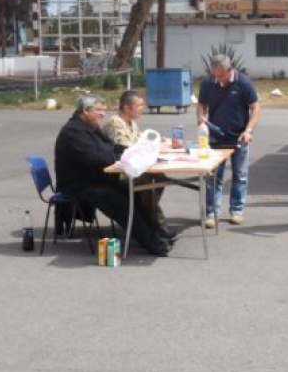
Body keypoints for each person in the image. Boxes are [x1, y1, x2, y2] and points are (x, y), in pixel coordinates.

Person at [55, 94, 171, 256]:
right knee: (118, 202)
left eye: (103, 110)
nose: (103, 114)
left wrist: (132, 152)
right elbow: (93, 158)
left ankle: (158, 234)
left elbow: (112, 147)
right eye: (98, 110)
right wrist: (123, 158)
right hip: (79, 184)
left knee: (133, 193)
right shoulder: (73, 131)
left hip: (95, 179)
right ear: (85, 111)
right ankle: (155, 244)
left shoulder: (91, 127)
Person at [196, 55, 261, 228]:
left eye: (221, 75)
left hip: (239, 137)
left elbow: (255, 108)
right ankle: (211, 213)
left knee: (240, 175)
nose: (218, 79)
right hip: (215, 138)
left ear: (229, 69)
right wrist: (201, 119)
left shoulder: (243, 82)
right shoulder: (208, 83)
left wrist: (248, 131)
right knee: (213, 177)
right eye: (215, 75)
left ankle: (236, 210)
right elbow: (201, 104)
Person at [102, 90, 174, 240]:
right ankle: (156, 226)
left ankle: (148, 216)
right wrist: (156, 148)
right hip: (119, 173)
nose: (143, 108)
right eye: (139, 105)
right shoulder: (115, 123)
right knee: (147, 183)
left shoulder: (132, 123)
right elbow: (127, 148)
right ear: (127, 108)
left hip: (132, 170)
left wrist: (161, 142)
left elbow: (143, 142)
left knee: (160, 178)